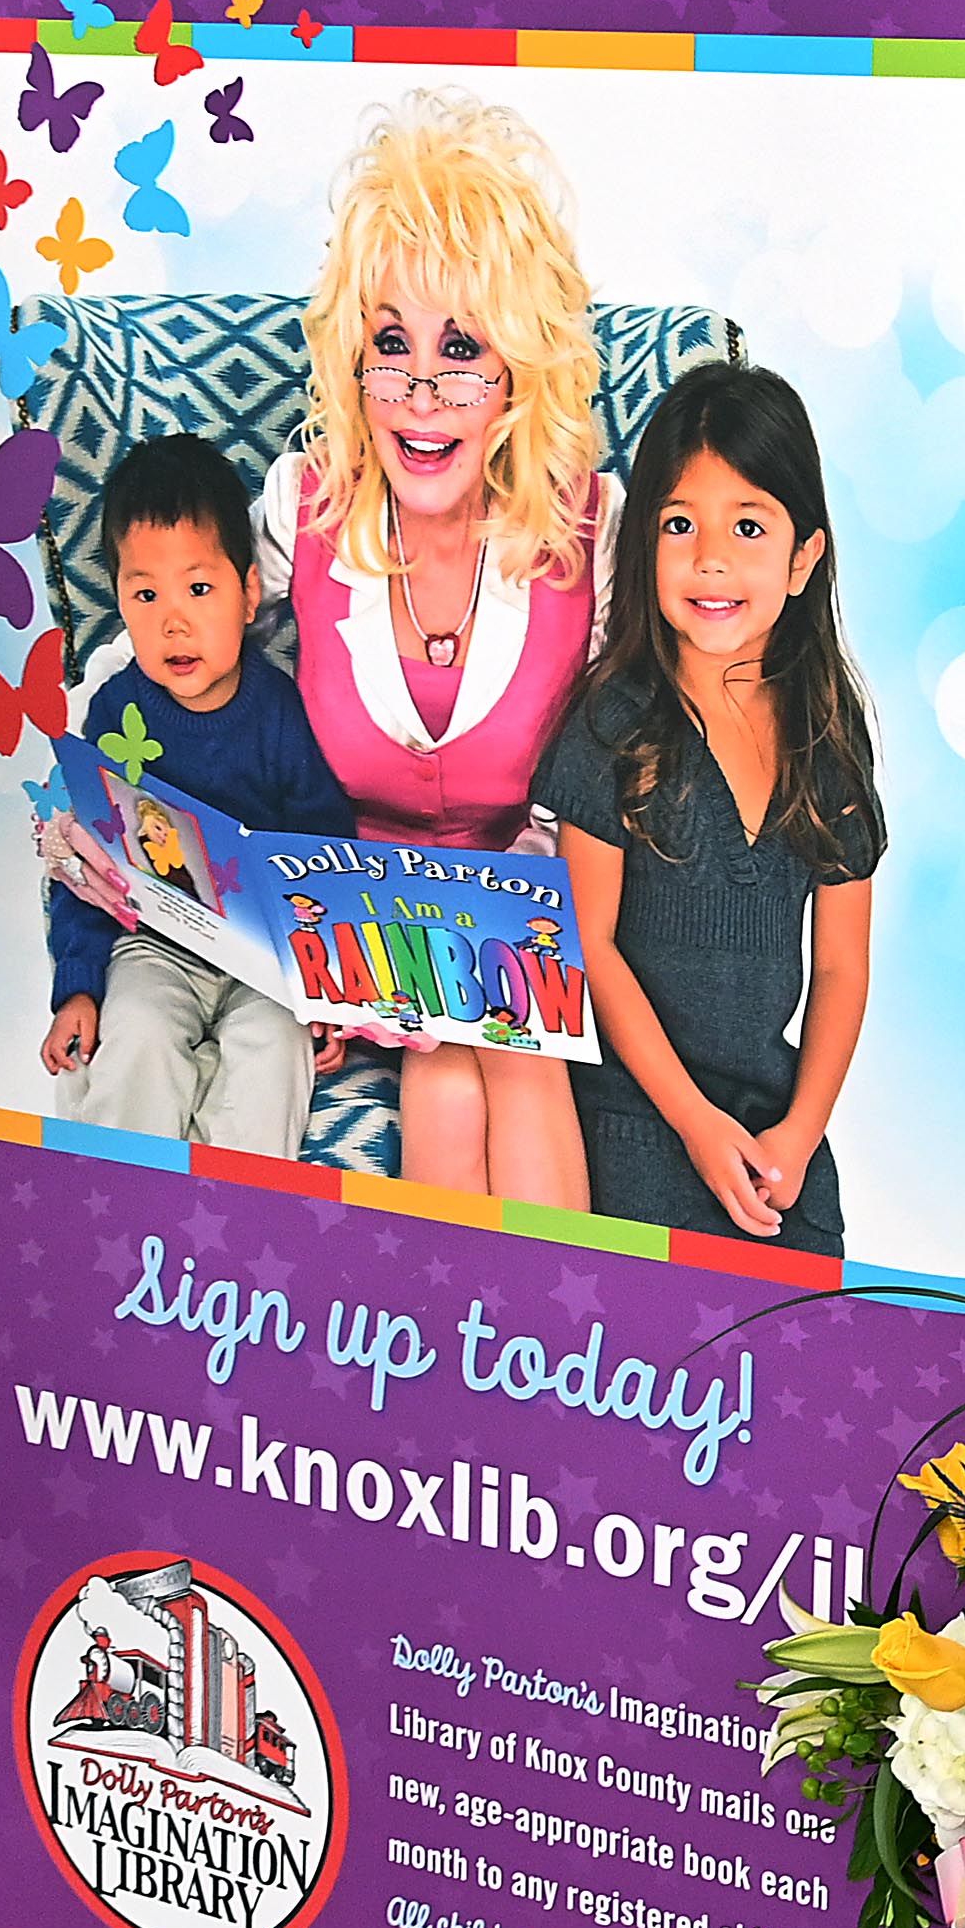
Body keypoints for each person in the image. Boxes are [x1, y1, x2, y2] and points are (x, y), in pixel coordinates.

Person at [264, 89, 607, 1203]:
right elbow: (184, 643)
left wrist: (548, 852)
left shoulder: (592, 524)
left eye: (461, 348)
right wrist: (88, 763)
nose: (419, 392)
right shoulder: (306, 505)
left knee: (498, 1067)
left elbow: (633, 738)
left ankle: (553, 1348)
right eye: (390, 344)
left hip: (528, 908)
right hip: (349, 917)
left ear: (520, 366)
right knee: (453, 1083)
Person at [542, 358, 881, 1258]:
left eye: (749, 525)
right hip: (635, 1117)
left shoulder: (828, 735)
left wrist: (800, 1136)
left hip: (772, 1123)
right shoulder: (615, 722)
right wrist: (693, 1122)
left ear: (803, 557)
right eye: (680, 524)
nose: (711, 559)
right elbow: (590, 944)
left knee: (801, 1357)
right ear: (644, 544)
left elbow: (843, 967)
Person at [41, 429, 355, 1155]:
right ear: (118, 600)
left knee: (275, 1055)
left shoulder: (282, 711)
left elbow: (323, 848)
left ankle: (229, 1233)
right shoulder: (117, 711)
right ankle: (123, 1213)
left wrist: (322, 988)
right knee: (137, 1041)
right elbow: (85, 869)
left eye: (199, 587)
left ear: (249, 595)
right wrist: (79, 988)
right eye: (144, 593)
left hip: (263, 961)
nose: (173, 619)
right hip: (153, 945)